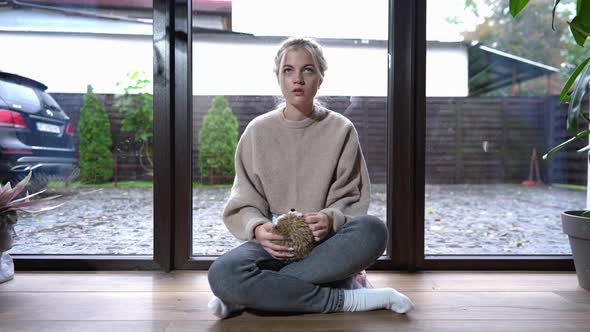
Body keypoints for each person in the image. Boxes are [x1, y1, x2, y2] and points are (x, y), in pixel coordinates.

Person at [207, 36, 414, 319]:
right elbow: (244, 200)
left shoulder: (342, 129)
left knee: (374, 230)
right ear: (278, 78)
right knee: (223, 273)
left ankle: (247, 296)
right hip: (273, 248)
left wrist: (329, 219)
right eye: (288, 70)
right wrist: (257, 228)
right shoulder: (257, 131)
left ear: (320, 78)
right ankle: (349, 297)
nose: (298, 78)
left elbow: (351, 198)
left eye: (308, 69)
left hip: (327, 248)